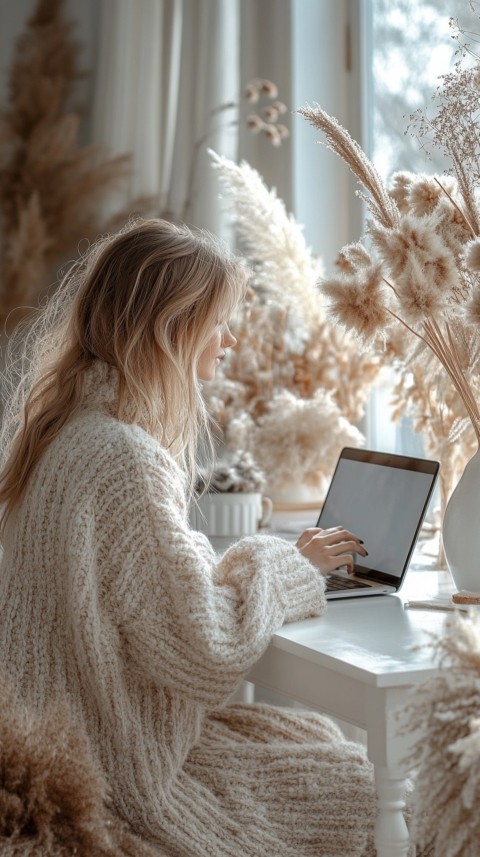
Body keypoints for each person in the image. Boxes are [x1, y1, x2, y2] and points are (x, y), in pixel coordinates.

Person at [0, 218, 377, 857]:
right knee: (363, 784)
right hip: (114, 775)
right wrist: (292, 564)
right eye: (219, 322)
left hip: (57, 737)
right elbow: (203, 648)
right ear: (175, 328)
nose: (228, 340)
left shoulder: (64, 430)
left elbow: (146, 598)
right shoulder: (125, 458)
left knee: (309, 734)